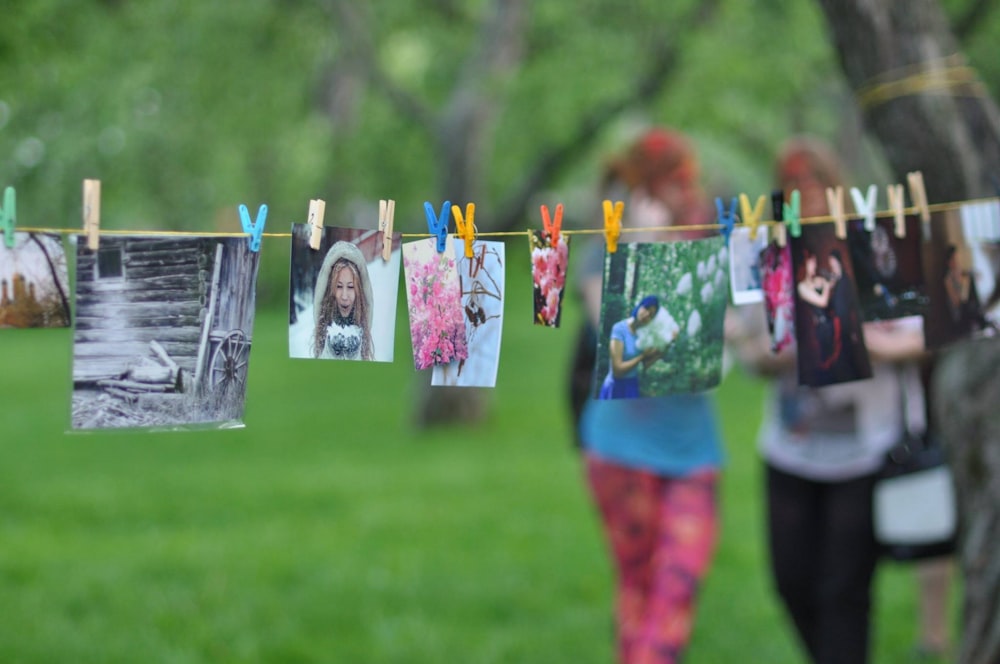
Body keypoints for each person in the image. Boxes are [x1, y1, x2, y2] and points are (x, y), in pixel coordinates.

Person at [728, 137, 930, 664]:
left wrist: (864, 342)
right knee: (791, 581)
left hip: (864, 452)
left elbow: (922, 336)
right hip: (790, 450)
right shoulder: (767, 253)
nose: (806, 195)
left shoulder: (874, 246)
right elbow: (753, 349)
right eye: (794, 185)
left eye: (815, 182)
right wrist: (783, 351)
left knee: (843, 590)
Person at [572, 127, 724, 664]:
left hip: (694, 453)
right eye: (673, 184)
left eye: (690, 182)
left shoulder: (709, 246)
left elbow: (740, 337)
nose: (688, 194)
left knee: (677, 585)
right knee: (638, 588)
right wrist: (644, 248)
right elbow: (620, 344)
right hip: (620, 451)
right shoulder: (604, 253)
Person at [312, 240, 374, 360]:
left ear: (359, 291)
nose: (344, 296)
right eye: (339, 286)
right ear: (330, 289)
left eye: (350, 287)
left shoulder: (364, 333)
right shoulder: (322, 333)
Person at [598, 295, 665, 399]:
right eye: (646, 308)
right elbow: (617, 370)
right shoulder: (619, 329)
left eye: (651, 315)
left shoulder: (645, 335)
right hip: (614, 386)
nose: (647, 315)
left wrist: (664, 348)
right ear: (640, 306)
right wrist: (642, 356)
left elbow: (646, 365)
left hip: (632, 386)